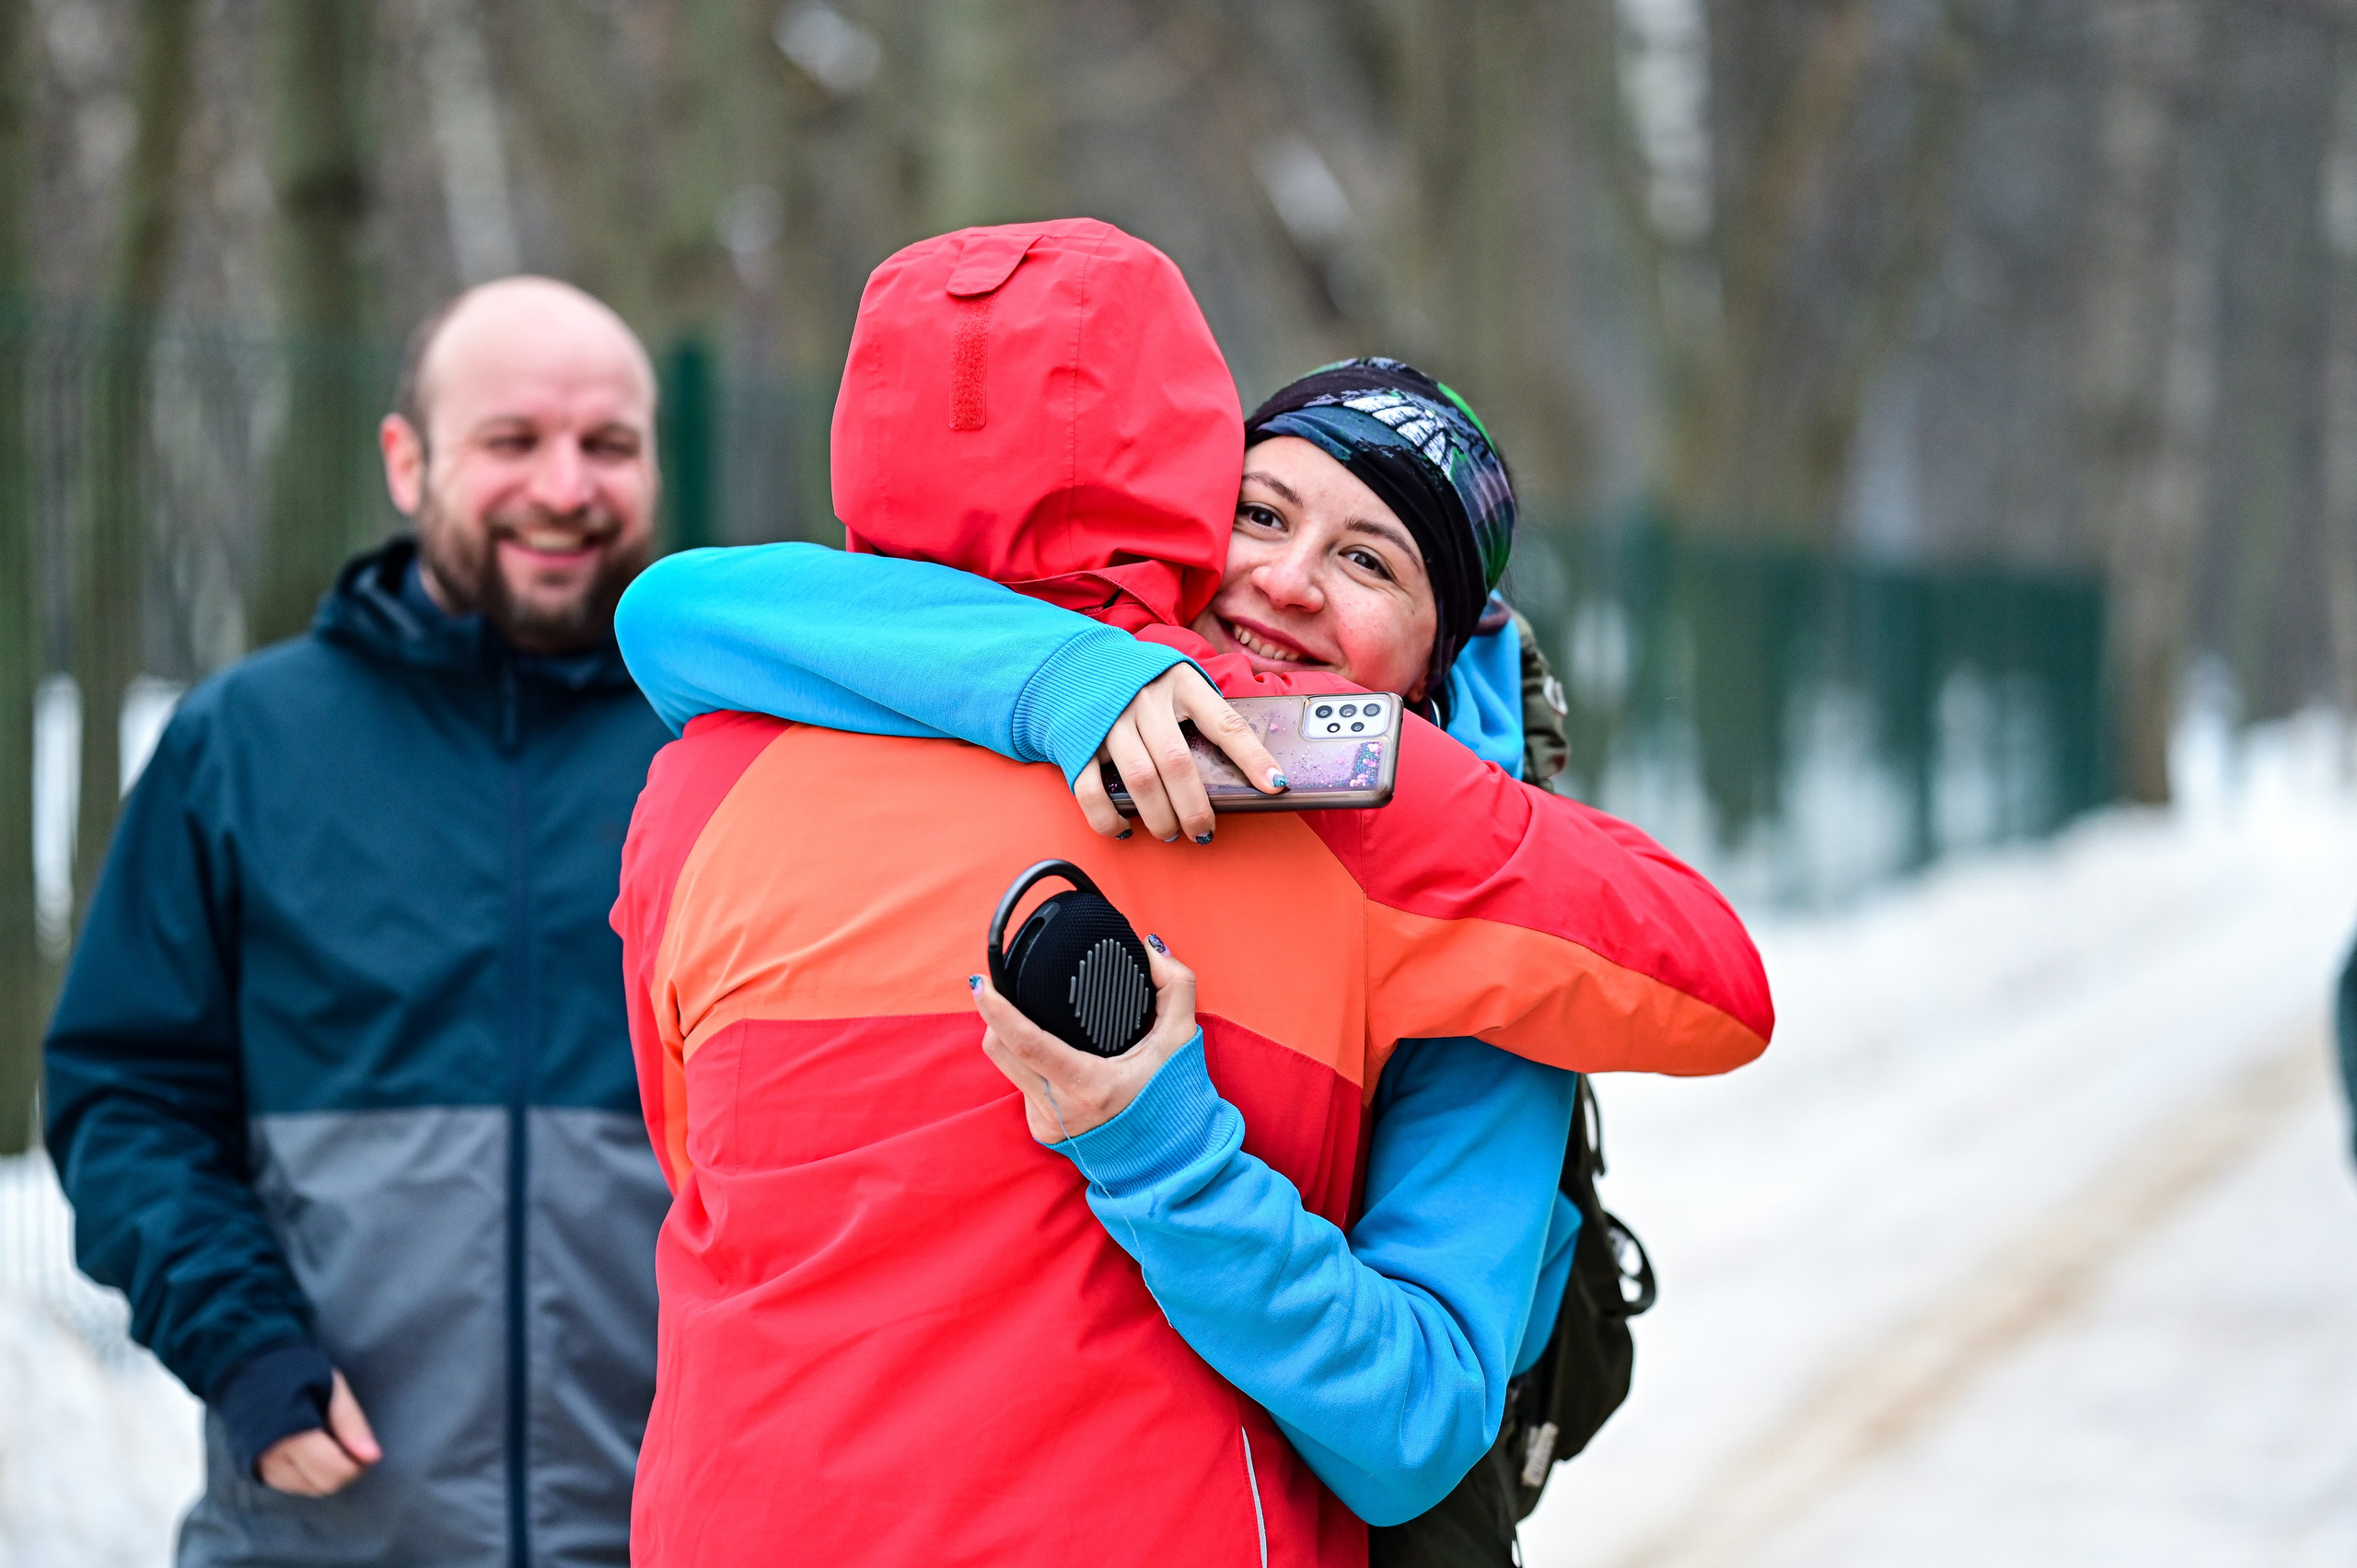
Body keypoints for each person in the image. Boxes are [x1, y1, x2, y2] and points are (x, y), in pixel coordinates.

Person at [610, 219, 1771, 1566]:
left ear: (1443, 655)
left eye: (1370, 561)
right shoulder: (977, 707)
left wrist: (1159, 1144)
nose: (1283, 579)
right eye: (1261, 516)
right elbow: (671, 609)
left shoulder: (1412, 859)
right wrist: (1057, 675)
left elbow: (1417, 1424)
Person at [44, 276, 673, 1566]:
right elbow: (126, 1096)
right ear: (407, 459)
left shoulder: (725, 755)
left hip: (675, 1528)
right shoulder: (244, 744)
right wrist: (244, 1343)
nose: (567, 486)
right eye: (512, 440)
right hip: (324, 1530)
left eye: (608, 444)